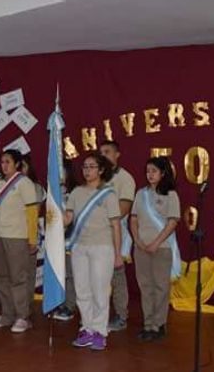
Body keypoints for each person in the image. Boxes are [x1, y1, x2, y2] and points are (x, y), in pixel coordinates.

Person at [65, 153, 122, 351]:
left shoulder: (108, 194)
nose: (87, 171)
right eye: (84, 167)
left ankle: (100, 332)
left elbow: (116, 225)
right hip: (80, 247)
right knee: (82, 290)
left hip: (102, 247)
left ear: (101, 170)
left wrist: (117, 254)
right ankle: (86, 328)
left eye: (91, 167)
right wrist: (53, 212)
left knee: (100, 290)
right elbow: (68, 218)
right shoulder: (76, 192)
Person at [0, 149, 39, 333]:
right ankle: (6, 314)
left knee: (18, 278)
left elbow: (32, 213)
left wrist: (32, 239)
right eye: (2, 162)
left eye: (8, 161)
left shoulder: (25, 183)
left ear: (17, 164)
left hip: (18, 237)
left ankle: (22, 316)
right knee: (1, 277)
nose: (4, 165)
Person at [130, 156, 181, 341]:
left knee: (160, 287)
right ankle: (148, 324)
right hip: (141, 248)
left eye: (154, 171)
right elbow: (133, 218)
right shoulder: (140, 194)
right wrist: (138, 240)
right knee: (145, 286)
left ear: (163, 173)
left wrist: (156, 243)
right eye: (148, 171)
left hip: (162, 247)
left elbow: (173, 221)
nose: (150, 175)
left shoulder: (171, 194)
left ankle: (159, 325)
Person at [99, 140, 137, 331]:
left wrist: (100, 219)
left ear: (117, 154)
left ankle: (121, 316)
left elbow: (124, 208)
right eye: (101, 152)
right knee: (97, 277)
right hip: (97, 235)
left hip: (116, 233)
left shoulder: (125, 178)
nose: (103, 155)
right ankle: (98, 315)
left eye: (107, 151)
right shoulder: (97, 178)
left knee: (117, 277)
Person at [53, 158, 79, 322]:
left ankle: (70, 305)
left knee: (70, 275)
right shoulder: (54, 192)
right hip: (56, 241)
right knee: (60, 274)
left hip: (71, 240)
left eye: (62, 171)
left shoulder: (75, 192)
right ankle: (60, 302)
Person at [20, 155, 46, 309]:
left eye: (23, 166)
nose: (20, 170)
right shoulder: (8, 185)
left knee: (28, 271)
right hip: (11, 233)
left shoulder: (35, 187)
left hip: (28, 232)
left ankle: (25, 306)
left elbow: (33, 212)